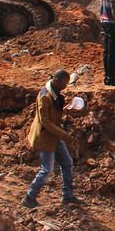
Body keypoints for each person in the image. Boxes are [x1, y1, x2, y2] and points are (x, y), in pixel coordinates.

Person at [22, 70, 83, 207]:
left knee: (67, 163)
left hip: (54, 136)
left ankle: (68, 195)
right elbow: (45, 121)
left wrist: (65, 110)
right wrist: (63, 134)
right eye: (64, 83)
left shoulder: (54, 94)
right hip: (45, 137)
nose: (65, 87)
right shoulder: (45, 96)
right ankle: (29, 196)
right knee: (47, 169)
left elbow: (53, 114)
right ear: (57, 81)